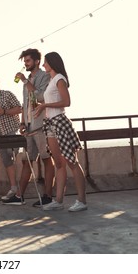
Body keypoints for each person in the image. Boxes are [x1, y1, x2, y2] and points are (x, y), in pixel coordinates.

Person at [34, 51, 87, 212]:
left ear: (52, 63)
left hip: (60, 123)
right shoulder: (51, 80)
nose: (43, 65)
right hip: (50, 124)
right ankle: (58, 200)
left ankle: (81, 201)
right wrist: (41, 106)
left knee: (72, 162)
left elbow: (66, 102)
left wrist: (44, 106)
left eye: (45, 62)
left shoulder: (59, 79)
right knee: (59, 163)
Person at [2, 48, 55, 206]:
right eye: (24, 61)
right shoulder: (27, 80)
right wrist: (22, 122)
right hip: (30, 126)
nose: (25, 64)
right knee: (27, 161)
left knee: (46, 159)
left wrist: (25, 81)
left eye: (28, 61)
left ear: (37, 61)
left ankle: (48, 196)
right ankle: (19, 196)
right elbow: (25, 104)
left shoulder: (44, 76)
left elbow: (41, 96)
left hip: (42, 125)